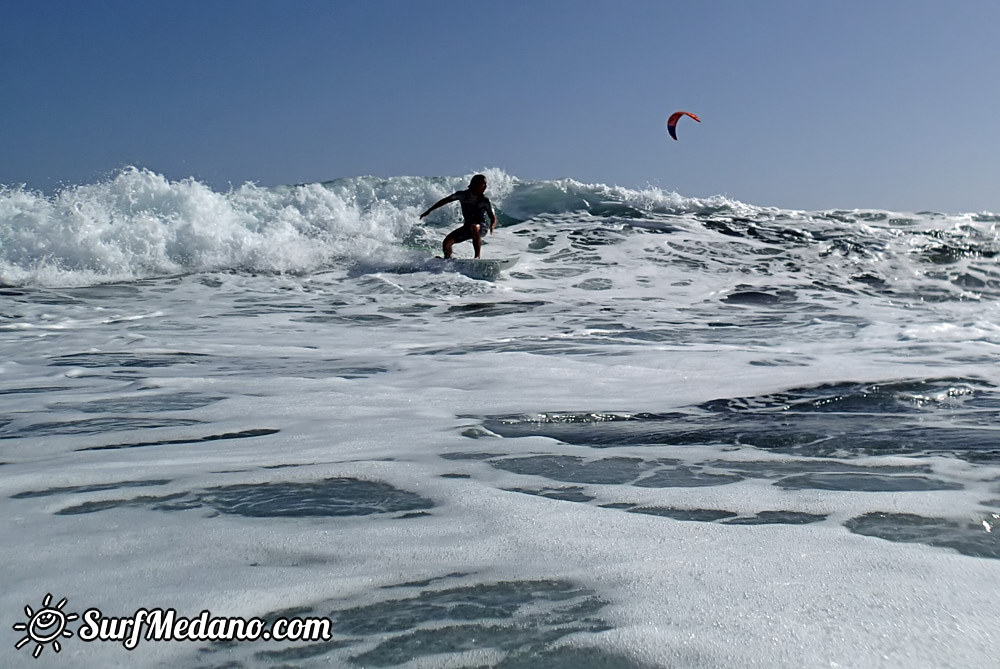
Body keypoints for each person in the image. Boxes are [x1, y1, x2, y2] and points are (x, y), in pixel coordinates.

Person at [419, 174, 497, 259]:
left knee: (474, 227)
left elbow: (492, 216)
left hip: (481, 227)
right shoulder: (462, 195)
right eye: (483, 184)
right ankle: (447, 259)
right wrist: (429, 210)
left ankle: (477, 257)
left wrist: (492, 225)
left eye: (485, 185)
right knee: (447, 242)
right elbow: (445, 201)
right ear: (475, 184)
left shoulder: (484, 200)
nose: (485, 187)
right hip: (467, 227)